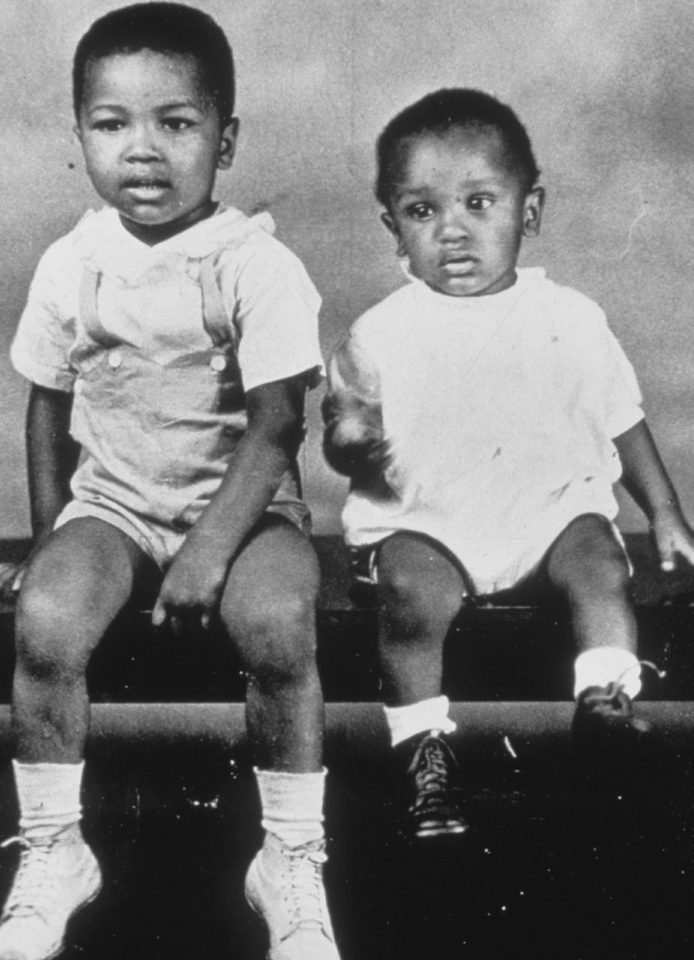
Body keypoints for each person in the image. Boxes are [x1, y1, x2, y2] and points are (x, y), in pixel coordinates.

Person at [1, 4, 341, 959]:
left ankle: (290, 855)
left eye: (175, 123)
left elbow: (278, 425)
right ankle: (54, 845)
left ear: (223, 140)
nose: (141, 151)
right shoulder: (74, 263)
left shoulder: (255, 262)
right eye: (112, 125)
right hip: (113, 508)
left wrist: (206, 552)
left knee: (278, 620)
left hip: (240, 510)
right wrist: (48, 537)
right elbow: (45, 402)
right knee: (49, 619)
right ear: (80, 137)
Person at [322, 87, 694, 841]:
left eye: (480, 204)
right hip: (429, 524)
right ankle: (425, 753)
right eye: (424, 212)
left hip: (543, 517)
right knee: (409, 589)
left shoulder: (568, 318)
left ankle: (604, 702)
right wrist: (347, 440)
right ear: (392, 225)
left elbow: (621, 421)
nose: (453, 233)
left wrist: (665, 514)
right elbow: (344, 443)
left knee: (598, 561)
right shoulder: (379, 333)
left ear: (530, 209)